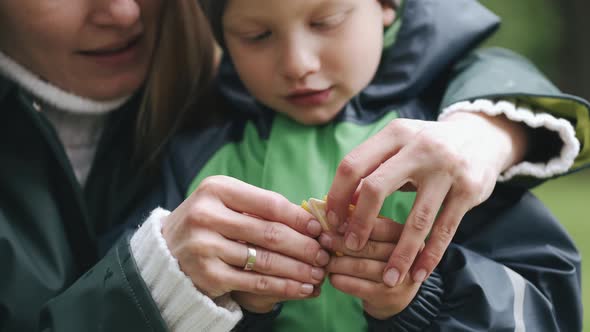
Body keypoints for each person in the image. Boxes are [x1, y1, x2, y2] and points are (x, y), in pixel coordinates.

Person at [0, 1, 587, 332]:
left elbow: (548, 305)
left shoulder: (451, 136)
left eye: (326, 22)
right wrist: (231, 299)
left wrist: (423, 301)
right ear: (218, 36)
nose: (299, 64)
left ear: (386, 5)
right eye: (256, 36)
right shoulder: (189, 143)